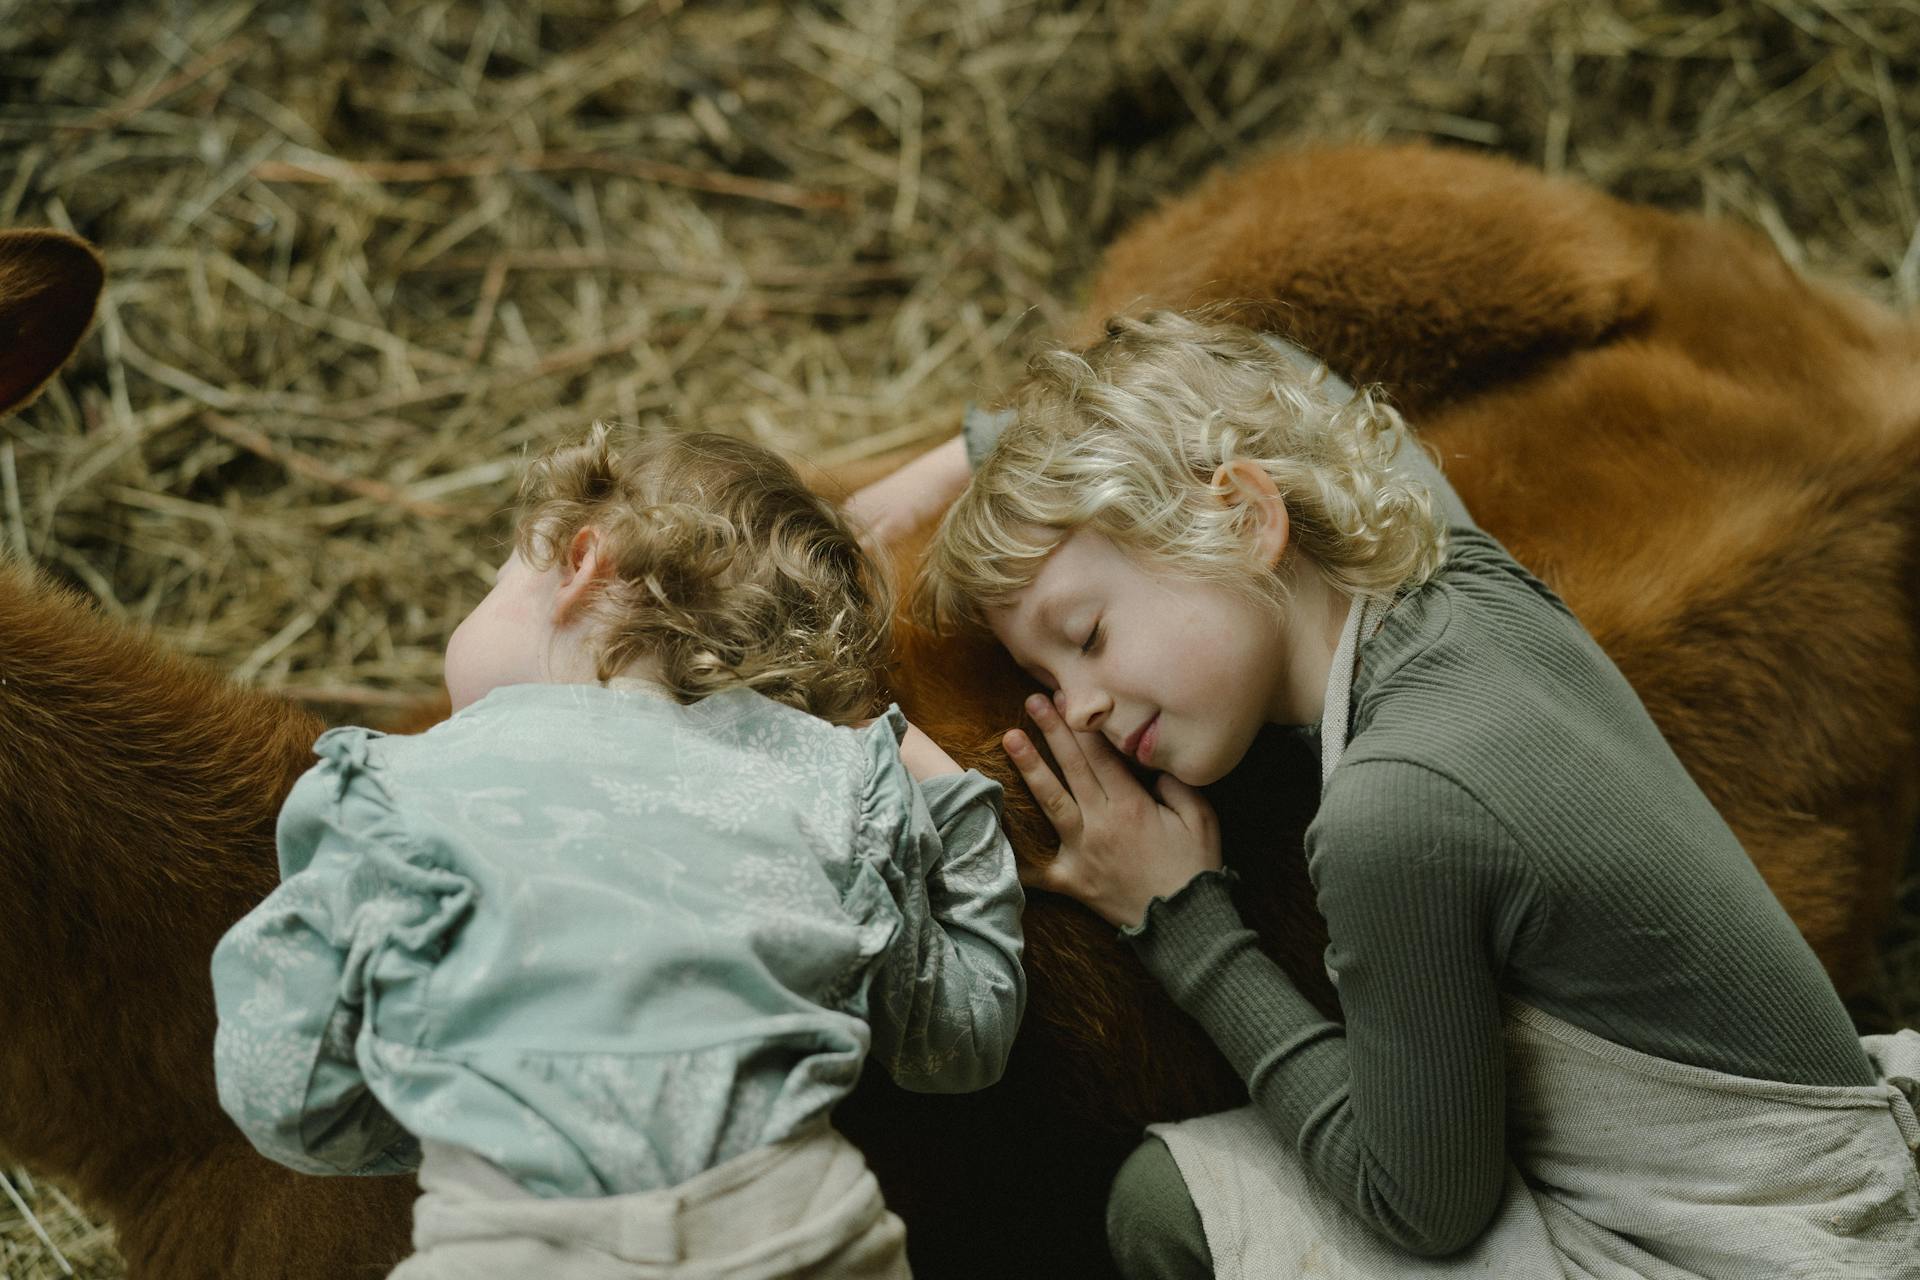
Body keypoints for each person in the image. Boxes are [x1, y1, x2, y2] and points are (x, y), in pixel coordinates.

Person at [896, 310, 1920, 1279]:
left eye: (1087, 637)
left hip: (1749, 1244)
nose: (1075, 708)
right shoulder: (1458, 570)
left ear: (1250, 516)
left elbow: (1423, 1203)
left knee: (1163, 1206)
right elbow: (1275, 357)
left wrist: (1178, 915)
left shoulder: (1393, 808)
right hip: (1836, 1164)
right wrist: (996, 452)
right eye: (1049, 680)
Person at [210, 425, 1026, 1280]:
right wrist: (945, 789)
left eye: (495, 582)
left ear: (582, 564)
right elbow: (964, 1040)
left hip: (518, 1254)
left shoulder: (391, 792)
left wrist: (455, 1099)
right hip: (804, 1241)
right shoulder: (833, 780)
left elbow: (281, 1088)